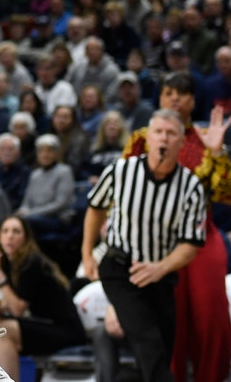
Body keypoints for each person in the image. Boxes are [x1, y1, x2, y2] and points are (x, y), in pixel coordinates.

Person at [122, 72, 231, 382]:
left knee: (210, 320)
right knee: (165, 322)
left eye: (183, 93)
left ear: (193, 101)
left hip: (202, 235)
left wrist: (217, 152)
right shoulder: (140, 139)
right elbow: (122, 194)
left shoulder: (207, 136)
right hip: (153, 240)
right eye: (168, 92)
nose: (175, 97)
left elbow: (230, 194)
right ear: (159, 99)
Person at [81, 109, 209, 382]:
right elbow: (95, 208)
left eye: (171, 133)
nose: (164, 138)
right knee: (149, 342)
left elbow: (191, 244)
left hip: (161, 273)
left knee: (161, 348)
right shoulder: (121, 170)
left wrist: (160, 268)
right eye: (159, 132)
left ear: (181, 142)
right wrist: (87, 253)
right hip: (119, 267)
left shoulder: (191, 187)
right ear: (148, 137)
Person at [0, 215, 86, 380]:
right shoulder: (9, 263)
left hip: (65, 329)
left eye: (16, 232)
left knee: (2, 330)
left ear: (25, 238)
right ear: (0, 237)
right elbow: (16, 302)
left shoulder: (32, 263)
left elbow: (18, 309)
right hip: (42, 323)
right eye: (6, 231)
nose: (10, 236)